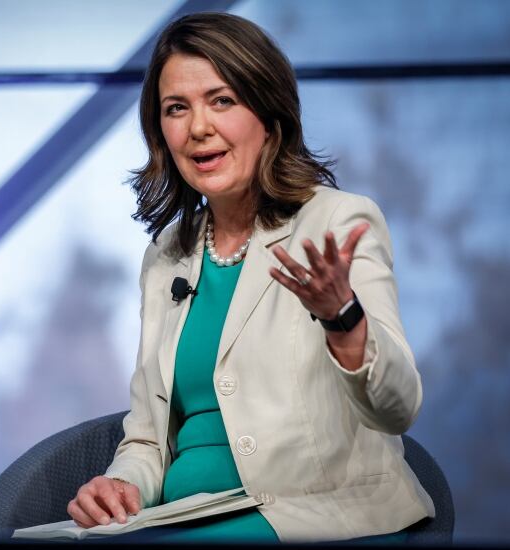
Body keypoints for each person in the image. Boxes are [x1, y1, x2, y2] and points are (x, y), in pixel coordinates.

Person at [66, 12, 434, 543]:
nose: (198, 128)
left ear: (269, 113)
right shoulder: (167, 254)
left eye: (222, 100)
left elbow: (398, 407)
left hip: (314, 517)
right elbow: (148, 438)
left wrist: (342, 317)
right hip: (183, 518)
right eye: (177, 109)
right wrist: (122, 485)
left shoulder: (337, 222)